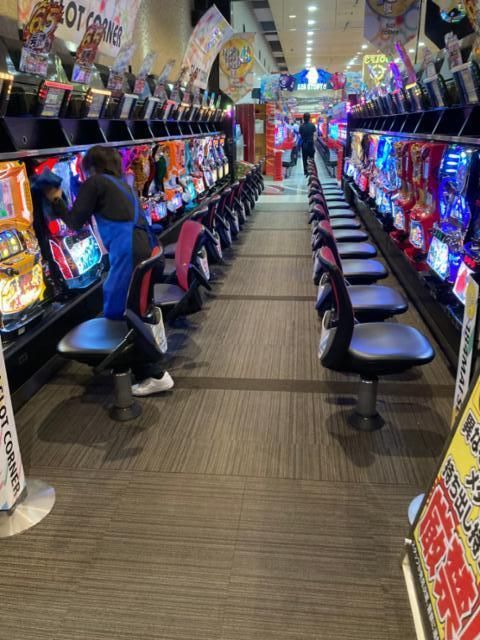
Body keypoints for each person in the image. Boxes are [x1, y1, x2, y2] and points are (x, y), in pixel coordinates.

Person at [42, 145, 174, 397]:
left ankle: (152, 373)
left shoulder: (96, 182)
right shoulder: (122, 184)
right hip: (144, 246)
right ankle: (143, 368)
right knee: (132, 310)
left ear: (90, 166)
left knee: (119, 311)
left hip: (128, 250)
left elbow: (74, 221)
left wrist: (56, 198)